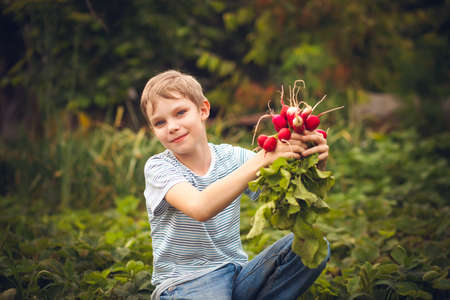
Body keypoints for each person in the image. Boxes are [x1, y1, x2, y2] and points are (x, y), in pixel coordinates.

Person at [140, 70, 330, 300]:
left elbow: (295, 204)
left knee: (308, 246)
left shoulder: (234, 158)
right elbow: (200, 208)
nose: (172, 126)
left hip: (236, 276)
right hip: (185, 283)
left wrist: (313, 161)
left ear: (203, 110)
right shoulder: (158, 168)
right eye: (160, 122)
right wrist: (263, 158)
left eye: (180, 113)